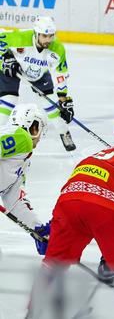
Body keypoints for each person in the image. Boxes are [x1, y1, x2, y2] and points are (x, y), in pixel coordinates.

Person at [30, 121, 114, 319]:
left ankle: (33, 312)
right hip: (104, 206)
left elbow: (80, 194)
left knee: (54, 262)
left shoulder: (96, 156)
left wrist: (56, 229)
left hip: (67, 205)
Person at [0, 16, 76, 151]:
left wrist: (63, 100)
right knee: (9, 100)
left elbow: (60, 75)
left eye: (50, 36)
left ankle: (64, 133)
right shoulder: (21, 37)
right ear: (36, 33)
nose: (48, 40)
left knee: (51, 105)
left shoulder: (57, 49)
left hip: (39, 73)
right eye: (44, 36)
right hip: (14, 69)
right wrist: (4, 59)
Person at [0, 104, 49, 255]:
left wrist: (37, 228)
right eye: (41, 131)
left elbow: (13, 199)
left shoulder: (23, 155)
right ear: (34, 126)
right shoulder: (21, 137)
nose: (40, 138)